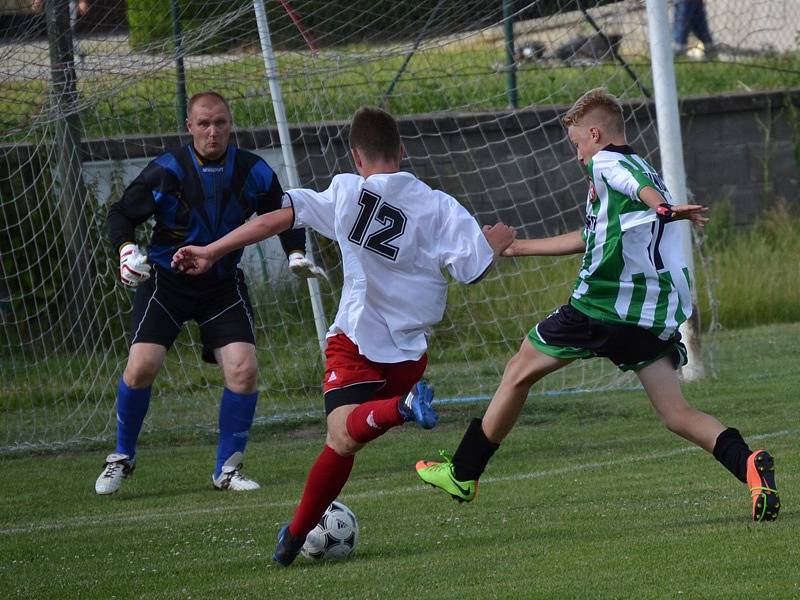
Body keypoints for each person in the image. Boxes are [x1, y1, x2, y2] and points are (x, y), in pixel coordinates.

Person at [171, 105, 517, 565]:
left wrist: (212, 251)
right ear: (403, 151)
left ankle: (399, 412)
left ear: (357, 157)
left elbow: (274, 219)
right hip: (410, 357)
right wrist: (492, 244)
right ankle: (292, 541)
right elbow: (473, 271)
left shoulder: (346, 192)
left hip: (355, 341)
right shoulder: (439, 206)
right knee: (343, 442)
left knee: (340, 433)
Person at [416, 88, 780, 523]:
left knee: (518, 371)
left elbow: (636, 186)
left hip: (601, 306)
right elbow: (591, 236)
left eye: (577, 145)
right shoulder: (636, 168)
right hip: (646, 317)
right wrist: (519, 248)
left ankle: (463, 472)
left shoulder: (610, 164)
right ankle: (748, 464)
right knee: (676, 412)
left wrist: (660, 206)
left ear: (595, 134)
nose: (577, 156)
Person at [95, 90, 325, 495]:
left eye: (220, 122)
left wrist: (294, 253)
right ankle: (121, 457)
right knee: (142, 365)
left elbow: (283, 213)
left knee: (244, 369)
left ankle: (228, 469)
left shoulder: (254, 171)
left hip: (222, 285)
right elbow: (121, 213)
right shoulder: (166, 170)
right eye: (203, 124)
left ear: (230, 124)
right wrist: (127, 249)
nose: (212, 131)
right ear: (189, 127)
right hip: (166, 283)